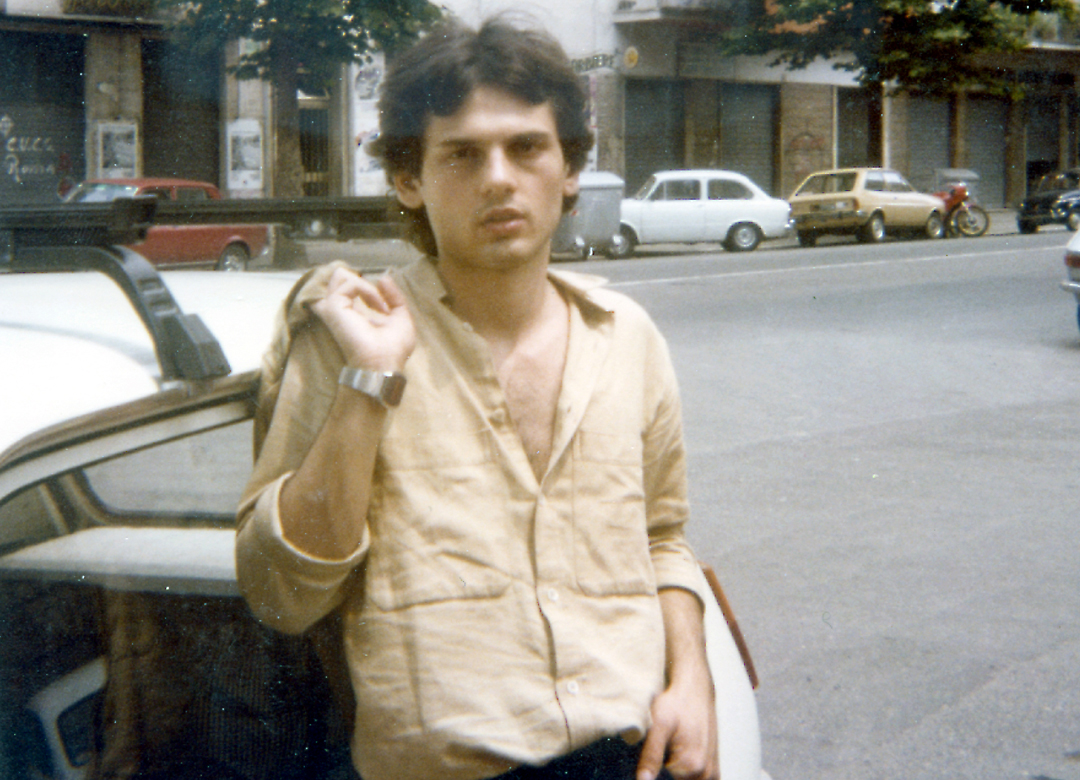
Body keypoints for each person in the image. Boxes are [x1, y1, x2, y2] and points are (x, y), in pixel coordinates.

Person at [236, 16, 718, 780]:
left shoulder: (625, 334)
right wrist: (371, 381)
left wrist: (693, 679)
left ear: (569, 170)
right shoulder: (351, 337)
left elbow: (662, 538)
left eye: (526, 147)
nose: (498, 177)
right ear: (409, 180)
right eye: (461, 154)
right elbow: (281, 593)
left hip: (632, 760)